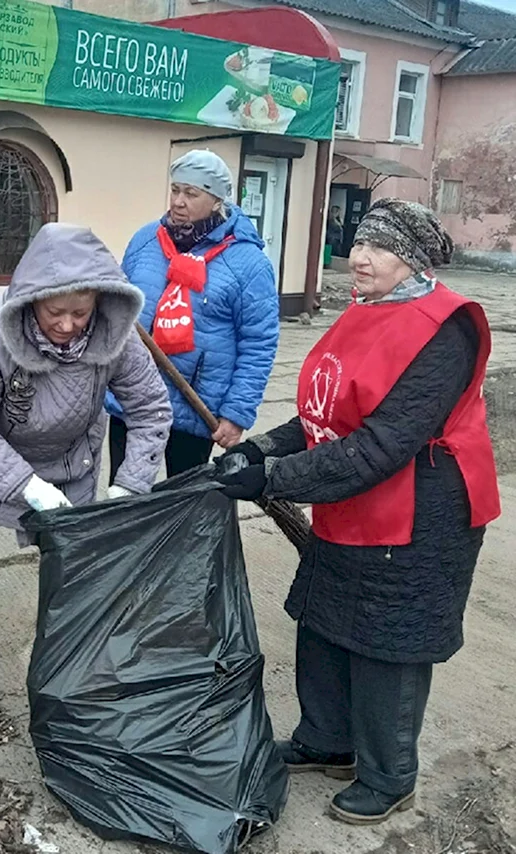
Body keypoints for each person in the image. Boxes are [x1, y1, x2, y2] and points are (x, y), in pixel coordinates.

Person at [214, 199, 500, 825]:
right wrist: (257, 449)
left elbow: (381, 445)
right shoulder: (366, 308)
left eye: (378, 249)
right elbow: (324, 415)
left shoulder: (443, 329)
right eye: (359, 244)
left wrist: (273, 479)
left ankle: (389, 775)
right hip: (353, 495)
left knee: (387, 642)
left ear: (413, 261)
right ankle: (329, 741)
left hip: (422, 509)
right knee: (323, 620)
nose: (359, 258)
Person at [0, 223, 174, 708]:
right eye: (54, 311)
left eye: (80, 312)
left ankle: (64, 673)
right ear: (30, 300)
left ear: (99, 303)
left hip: (69, 464)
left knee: (72, 574)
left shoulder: (113, 333)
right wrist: (27, 486)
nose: (66, 325)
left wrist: (129, 486)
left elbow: (151, 410)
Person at [106, 149, 278, 483]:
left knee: (181, 506)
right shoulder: (146, 241)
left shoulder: (247, 263)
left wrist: (236, 413)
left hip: (194, 405)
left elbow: (258, 343)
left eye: (191, 193)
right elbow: (117, 314)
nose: (178, 201)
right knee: (122, 497)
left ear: (216, 200)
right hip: (133, 400)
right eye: (175, 190)